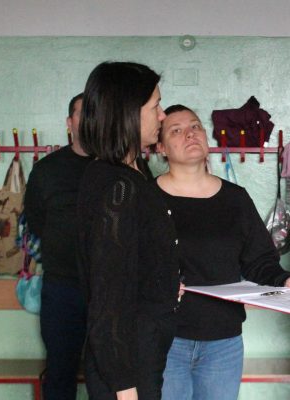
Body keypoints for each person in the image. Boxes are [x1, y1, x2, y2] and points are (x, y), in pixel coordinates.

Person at [155, 104, 290, 400]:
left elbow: (260, 260)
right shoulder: (147, 199)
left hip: (222, 342)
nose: (190, 134)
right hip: (166, 340)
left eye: (195, 126)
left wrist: (285, 280)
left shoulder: (235, 199)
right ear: (160, 147)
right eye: (176, 130)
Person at [76, 62, 179, 400]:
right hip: (127, 366)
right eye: (155, 106)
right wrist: (124, 387)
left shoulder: (134, 172)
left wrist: (164, 285)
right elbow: (108, 295)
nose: (162, 115)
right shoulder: (117, 186)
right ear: (128, 113)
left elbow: (136, 259)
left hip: (143, 351)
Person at [23, 92, 93, 400]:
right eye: (82, 113)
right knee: (60, 372)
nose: (89, 120)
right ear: (69, 122)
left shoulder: (120, 167)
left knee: (108, 373)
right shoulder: (47, 170)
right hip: (62, 288)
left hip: (109, 288)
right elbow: (36, 221)